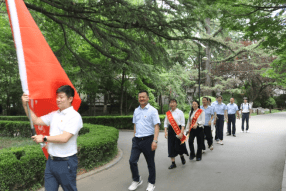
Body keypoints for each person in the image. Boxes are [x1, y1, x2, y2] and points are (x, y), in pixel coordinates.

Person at [21, 85, 83, 191]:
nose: (58, 99)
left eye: (61, 97)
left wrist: (44, 138)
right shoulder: (55, 114)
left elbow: (64, 138)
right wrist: (25, 104)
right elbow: (36, 120)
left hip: (66, 162)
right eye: (57, 97)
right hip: (51, 161)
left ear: (70, 98)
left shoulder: (75, 116)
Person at [128, 90, 160, 191]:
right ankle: (136, 180)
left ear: (147, 98)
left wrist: (155, 141)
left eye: (143, 97)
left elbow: (156, 126)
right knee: (132, 161)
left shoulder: (153, 110)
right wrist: (134, 137)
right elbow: (135, 124)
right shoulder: (136, 110)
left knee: (150, 163)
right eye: (140, 97)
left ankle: (151, 183)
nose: (141, 99)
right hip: (137, 140)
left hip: (148, 140)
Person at [164, 99, 188, 169]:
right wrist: (165, 131)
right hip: (171, 130)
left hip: (178, 130)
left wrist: (181, 132)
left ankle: (181, 156)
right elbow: (165, 123)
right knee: (171, 146)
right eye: (171, 103)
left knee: (179, 146)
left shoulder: (180, 112)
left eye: (173, 103)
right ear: (169, 104)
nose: (172, 104)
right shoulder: (168, 113)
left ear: (176, 104)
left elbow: (183, 123)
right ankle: (173, 163)